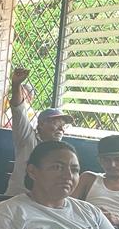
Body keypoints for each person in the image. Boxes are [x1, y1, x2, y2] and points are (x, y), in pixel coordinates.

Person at [5, 68, 73, 196]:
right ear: (41, 124)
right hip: (18, 200)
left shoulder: (62, 151)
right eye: (56, 123)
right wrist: (16, 84)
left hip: (45, 204)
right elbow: (18, 110)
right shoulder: (27, 138)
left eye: (63, 125)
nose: (61, 129)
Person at [73, 135, 119, 229]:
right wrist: (91, 214)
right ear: (100, 161)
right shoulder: (88, 178)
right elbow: (66, 206)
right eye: (106, 160)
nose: (112, 165)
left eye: (118, 159)